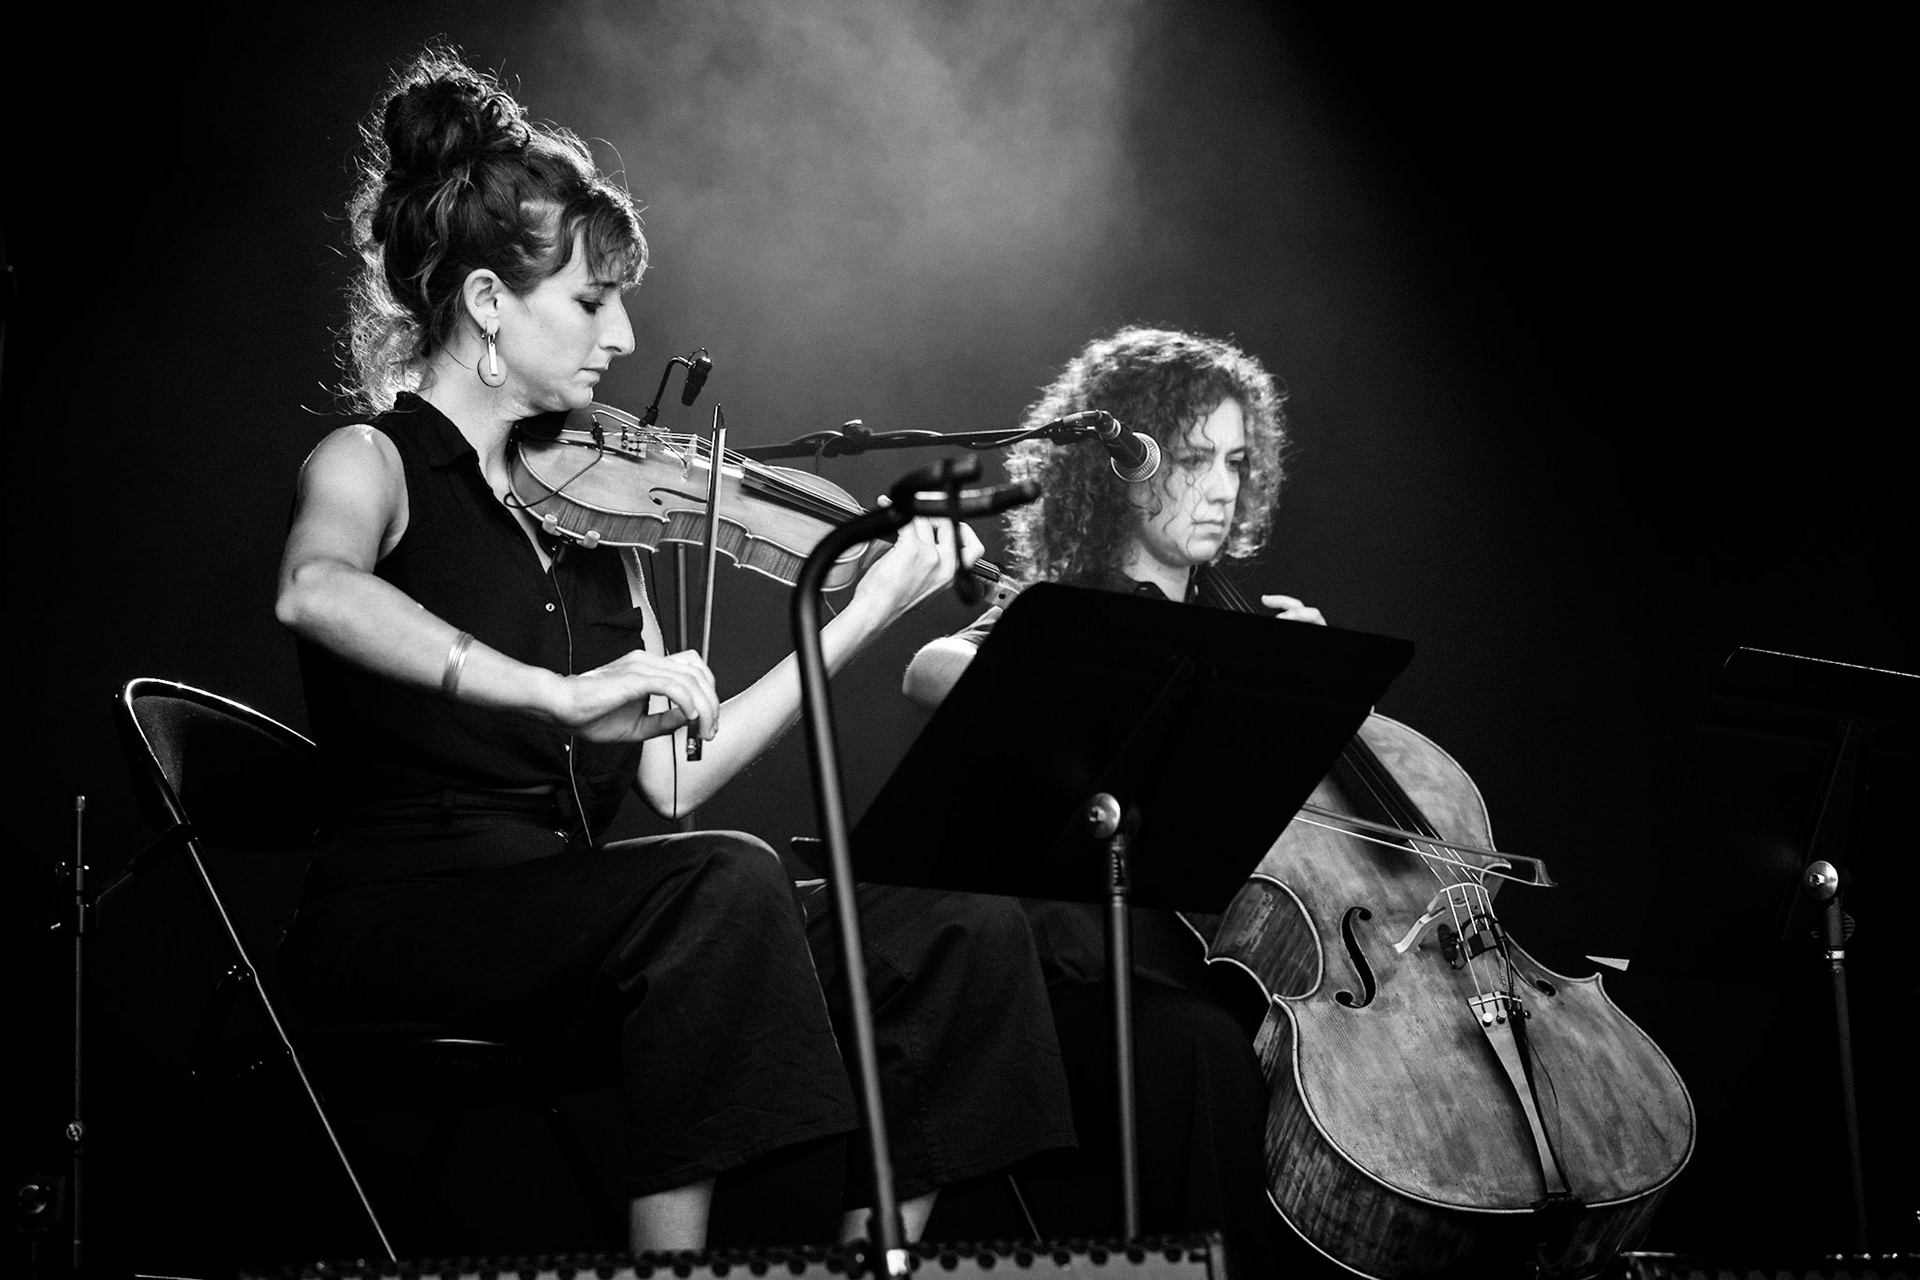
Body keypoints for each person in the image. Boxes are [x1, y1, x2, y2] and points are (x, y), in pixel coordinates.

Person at [274, 47, 1068, 1254]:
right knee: (719, 878)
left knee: (960, 919)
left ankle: (877, 1258)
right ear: (489, 302)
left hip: (579, 921)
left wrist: (856, 614)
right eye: (592, 303)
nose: (625, 332)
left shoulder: (599, 513)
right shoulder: (373, 463)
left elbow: (676, 779)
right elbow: (315, 591)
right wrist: (557, 690)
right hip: (405, 924)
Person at [902, 325, 1324, 1277]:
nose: (1220, 486)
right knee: (1202, 1051)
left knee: (1245, 1047)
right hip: (1085, 981)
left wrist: (1307, 692)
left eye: (1235, 461)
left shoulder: (1245, 627)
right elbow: (934, 671)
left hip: (1219, 967)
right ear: (1123, 470)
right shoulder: (1074, 604)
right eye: (1191, 460)